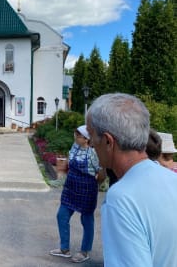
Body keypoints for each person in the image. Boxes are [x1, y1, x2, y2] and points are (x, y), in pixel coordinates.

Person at [86, 93, 177, 267]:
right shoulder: (172, 180)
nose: (90, 144)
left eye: (91, 137)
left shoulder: (121, 199)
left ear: (107, 141)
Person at [50, 125, 100, 263]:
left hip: (87, 190)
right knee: (62, 215)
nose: (75, 137)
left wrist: (97, 185)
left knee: (86, 220)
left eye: (78, 136)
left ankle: (84, 251)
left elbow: (100, 171)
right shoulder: (74, 147)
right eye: (75, 135)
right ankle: (64, 249)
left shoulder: (93, 153)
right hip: (71, 188)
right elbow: (69, 162)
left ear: (86, 139)